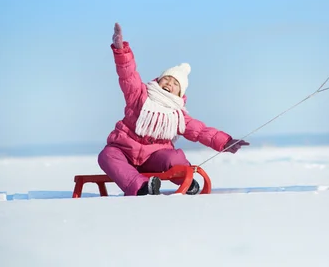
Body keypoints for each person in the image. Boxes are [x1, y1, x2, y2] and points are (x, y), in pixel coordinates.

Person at [98, 23, 249, 196]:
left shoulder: (177, 116)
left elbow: (201, 131)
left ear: (180, 92)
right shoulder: (139, 95)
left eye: (175, 83)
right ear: (159, 81)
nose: (169, 83)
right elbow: (128, 75)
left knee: (173, 157)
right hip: (124, 151)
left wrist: (225, 142)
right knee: (106, 156)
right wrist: (121, 51)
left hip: (154, 158)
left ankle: (188, 182)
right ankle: (142, 188)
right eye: (167, 79)